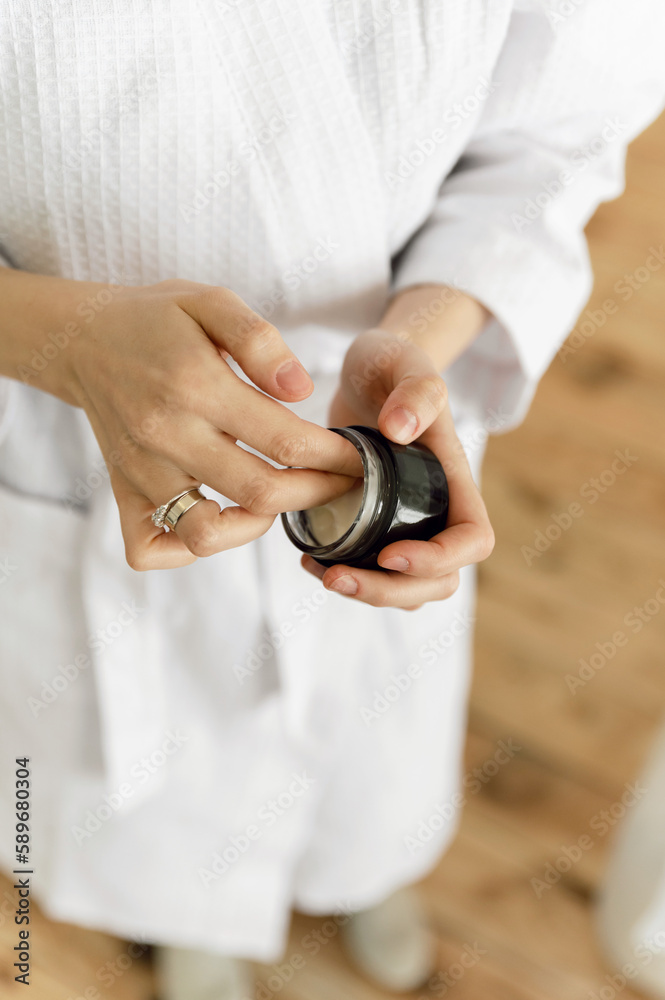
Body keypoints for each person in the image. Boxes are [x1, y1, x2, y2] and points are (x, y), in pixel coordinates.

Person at [0, 2, 663, 997]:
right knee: (146, 760)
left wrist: (418, 341)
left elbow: (558, 125)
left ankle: (361, 867)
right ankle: (187, 913)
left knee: (375, 726)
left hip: (378, 402)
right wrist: (56, 338)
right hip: (64, 425)